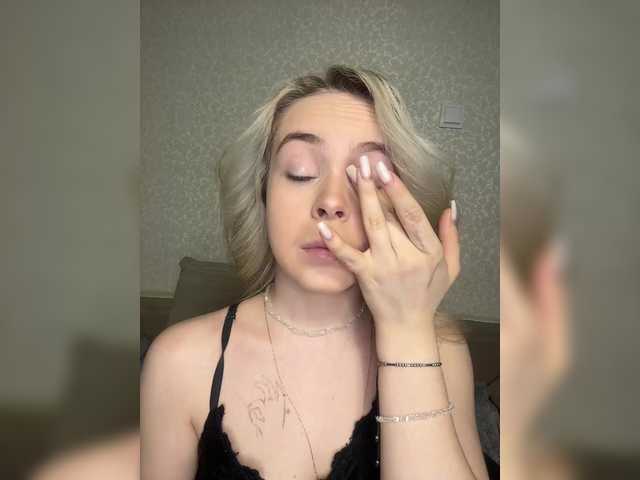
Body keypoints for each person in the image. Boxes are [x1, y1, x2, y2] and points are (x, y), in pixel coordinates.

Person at [141, 65, 489, 480]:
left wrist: (407, 334)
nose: (331, 202)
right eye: (301, 171)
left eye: (368, 176)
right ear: (263, 193)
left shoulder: (441, 353)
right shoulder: (177, 362)